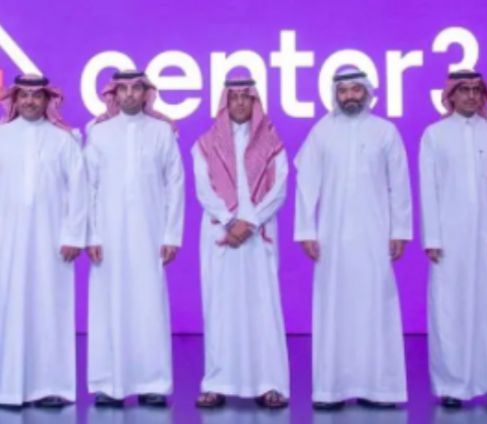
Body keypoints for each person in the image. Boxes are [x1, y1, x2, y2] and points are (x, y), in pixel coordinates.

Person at [294, 67, 412, 410]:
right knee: (333, 309)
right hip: (331, 239)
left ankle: (380, 389)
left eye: (355, 90)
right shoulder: (322, 132)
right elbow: (306, 186)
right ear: (335, 94)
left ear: (367, 92)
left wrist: (400, 231)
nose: (349, 96)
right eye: (343, 90)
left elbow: (400, 186)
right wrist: (306, 230)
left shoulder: (385, 131)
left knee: (377, 307)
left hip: (375, 236)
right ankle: (331, 390)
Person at [85, 70, 185, 407]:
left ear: (146, 93)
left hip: (151, 233)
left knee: (149, 305)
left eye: (135, 89)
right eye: (123, 89)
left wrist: (172, 234)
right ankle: (108, 383)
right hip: (107, 237)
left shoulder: (162, 132)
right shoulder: (98, 133)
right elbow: (88, 187)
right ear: (113, 94)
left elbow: (175, 184)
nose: (129, 94)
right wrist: (91, 234)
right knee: (108, 305)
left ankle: (153, 383)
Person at [419, 70, 487, 409]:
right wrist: (432, 237)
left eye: (477, 90)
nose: (472, 96)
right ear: (451, 96)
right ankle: (451, 385)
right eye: (464, 90)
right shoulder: (434, 135)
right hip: (449, 238)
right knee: (449, 308)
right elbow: (428, 189)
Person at [192, 77, 290, 409]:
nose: (239, 103)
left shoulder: (272, 142)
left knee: (263, 307)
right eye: (233, 97)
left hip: (258, 235)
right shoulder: (205, 144)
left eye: (245, 97)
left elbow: (279, 189)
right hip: (220, 234)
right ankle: (216, 383)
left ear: (254, 102)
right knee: (219, 308)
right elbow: (203, 189)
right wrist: (230, 221)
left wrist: (251, 222)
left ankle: (269, 382)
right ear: (225, 102)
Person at [0, 74, 87, 408]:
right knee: (7, 309)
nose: (30, 101)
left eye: (37, 96)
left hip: (52, 243)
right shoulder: (2, 137)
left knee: (50, 309)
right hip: (7, 242)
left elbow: (78, 191)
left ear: (48, 100)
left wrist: (74, 235)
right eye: (24, 95)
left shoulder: (63, 140)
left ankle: (51, 386)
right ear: (15, 99)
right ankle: (7, 386)